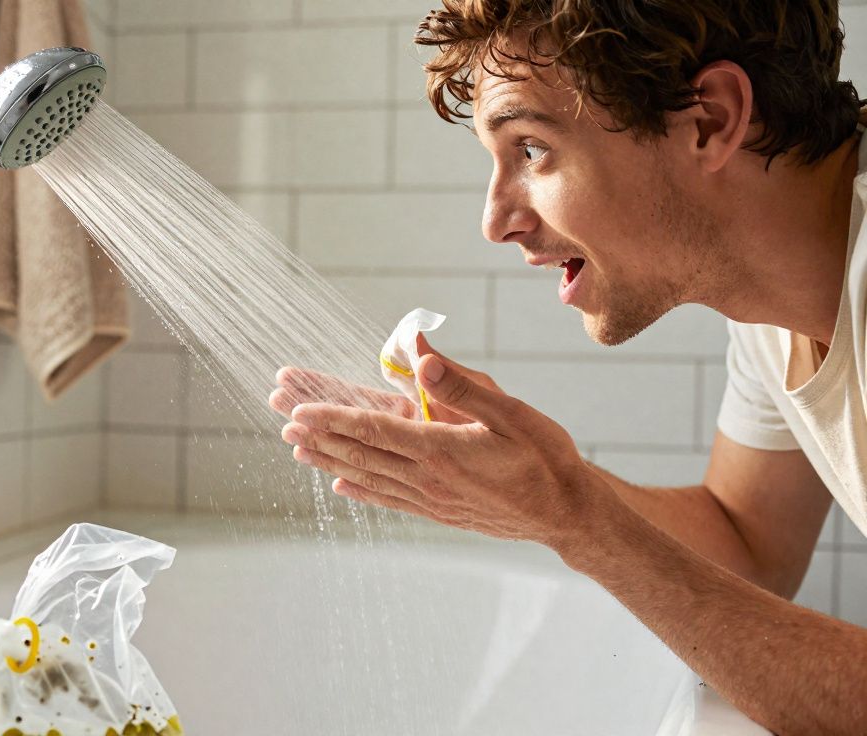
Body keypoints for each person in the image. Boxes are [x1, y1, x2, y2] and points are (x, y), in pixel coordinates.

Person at [270, 2, 867, 733]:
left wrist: (577, 521)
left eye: (530, 148)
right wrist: (539, 490)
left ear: (708, 120)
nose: (496, 220)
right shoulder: (773, 308)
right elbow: (746, 548)